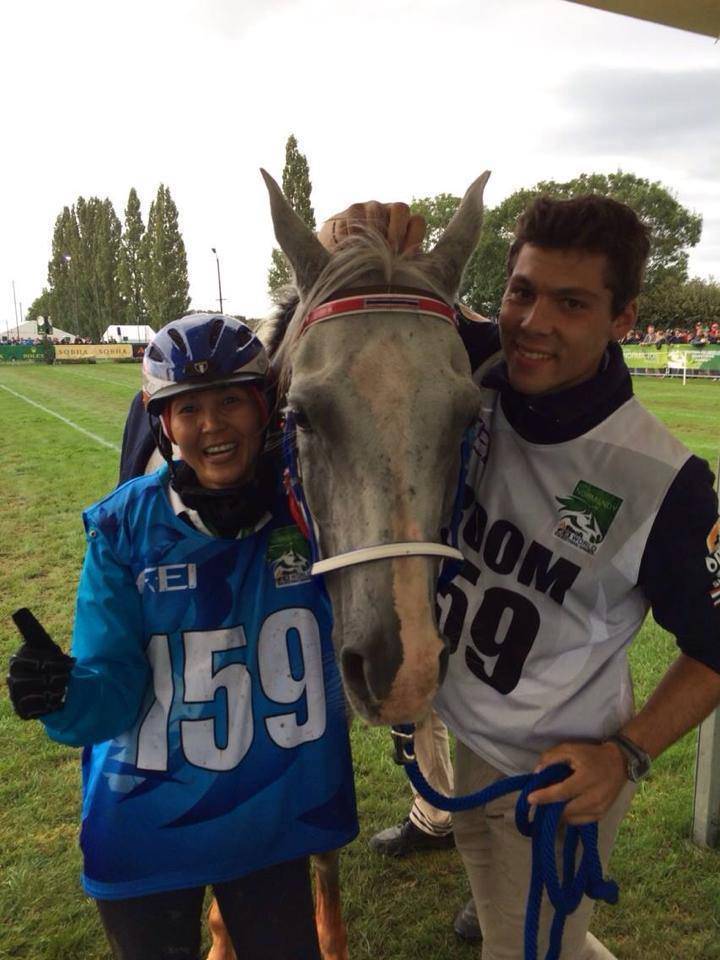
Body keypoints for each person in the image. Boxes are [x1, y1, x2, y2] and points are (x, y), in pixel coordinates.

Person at [327, 194, 720, 959]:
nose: (534, 323)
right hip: (467, 737)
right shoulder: (477, 367)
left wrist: (627, 754)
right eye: (522, 291)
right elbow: (362, 318)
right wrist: (351, 228)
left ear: (623, 319)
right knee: (535, 936)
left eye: (571, 303)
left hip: (552, 777)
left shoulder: (662, 481)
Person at [7, 313, 358, 960]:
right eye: (189, 408)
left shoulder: (315, 505)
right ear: (162, 424)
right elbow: (110, 692)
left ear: (264, 407)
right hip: (147, 819)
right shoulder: (124, 529)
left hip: (271, 821)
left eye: (230, 401)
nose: (212, 425)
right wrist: (61, 697)